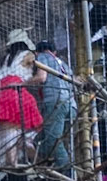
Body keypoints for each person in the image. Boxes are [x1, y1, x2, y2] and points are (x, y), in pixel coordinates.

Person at [0, 31, 44, 167]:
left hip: (1, 95)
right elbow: (40, 75)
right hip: (18, 93)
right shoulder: (28, 55)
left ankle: (12, 163)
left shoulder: (5, 60)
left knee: (9, 133)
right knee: (23, 134)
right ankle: (37, 164)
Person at [32, 42, 76, 174]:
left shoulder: (43, 57)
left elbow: (41, 77)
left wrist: (23, 83)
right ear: (54, 51)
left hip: (56, 102)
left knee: (53, 140)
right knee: (41, 141)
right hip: (72, 106)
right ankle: (50, 168)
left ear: (36, 52)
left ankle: (67, 172)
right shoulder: (64, 65)